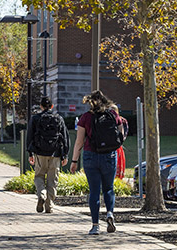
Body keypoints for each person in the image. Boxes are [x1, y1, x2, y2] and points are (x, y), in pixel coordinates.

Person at [69, 90, 126, 235]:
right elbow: (121, 136)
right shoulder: (113, 115)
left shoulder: (85, 118)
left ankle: (95, 226)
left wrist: (74, 160)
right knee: (109, 188)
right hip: (109, 155)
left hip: (91, 156)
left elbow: (79, 142)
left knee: (94, 191)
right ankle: (110, 213)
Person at [27, 97, 69, 214]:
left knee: (39, 176)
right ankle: (49, 206)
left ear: (41, 106)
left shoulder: (35, 119)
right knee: (53, 180)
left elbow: (29, 136)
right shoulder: (58, 118)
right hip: (55, 153)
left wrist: (30, 153)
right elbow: (65, 137)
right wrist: (65, 154)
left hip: (40, 153)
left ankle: (42, 193)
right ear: (52, 106)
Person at [111, 105, 129, 180]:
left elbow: (123, 134)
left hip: (117, 146)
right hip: (108, 146)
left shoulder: (122, 120)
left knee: (118, 165)